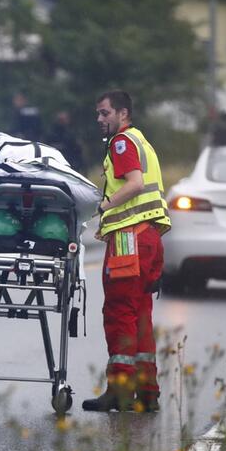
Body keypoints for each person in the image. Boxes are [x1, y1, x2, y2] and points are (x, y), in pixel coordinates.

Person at [83, 90, 171, 413]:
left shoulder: (121, 143)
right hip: (149, 238)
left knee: (120, 312)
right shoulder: (142, 141)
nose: (100, 120)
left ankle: (120, 390)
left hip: (129, 239)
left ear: (122, 114)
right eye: (98, 114)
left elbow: (133, 183)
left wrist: (103, 207)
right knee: (141, 314)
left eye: (105, 113)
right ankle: (147, 391)